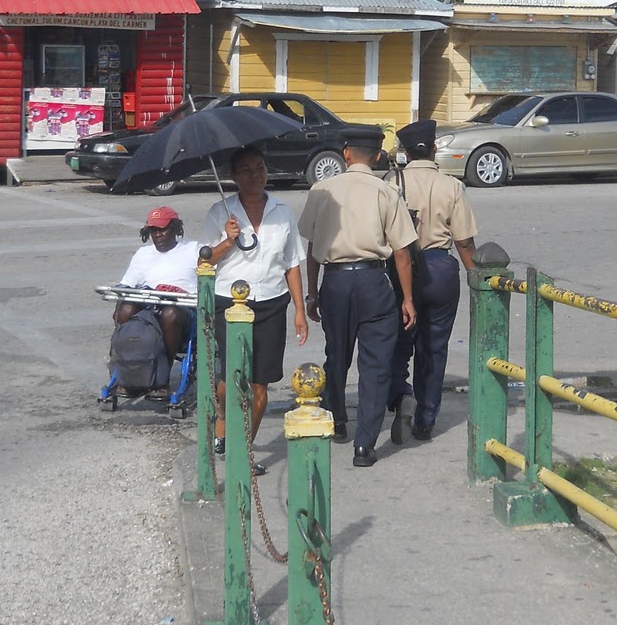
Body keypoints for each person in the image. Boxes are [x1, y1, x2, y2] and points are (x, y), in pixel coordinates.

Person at [299, 126, 416, 468]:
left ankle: (337, 420)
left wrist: (311, 292)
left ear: (346, 153)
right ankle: (364, 445)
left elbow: (311, 249)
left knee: (337, 354)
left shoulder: (322, 190)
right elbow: (402, 253)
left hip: (334, 281)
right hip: (373, 281)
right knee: (376, 365)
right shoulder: (386, 191)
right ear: (378, 156)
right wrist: (407, 298)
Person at [201, 146, 308, 470]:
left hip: (272, 304)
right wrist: (227, 241)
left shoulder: (282, 211)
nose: (254, 175)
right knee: (230, 379)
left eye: (260, 168)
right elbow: (204, 259)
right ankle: (223, 423)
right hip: (229, 305)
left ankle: (241, 451)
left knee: (260, 384)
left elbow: (291, 264)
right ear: (234, 176)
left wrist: (300, 311)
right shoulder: (221, 212)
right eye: (246, 170)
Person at [386, 119, 479, 443]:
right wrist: (475, 278)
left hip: (400, 269)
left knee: (397, 341)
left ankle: (400, 397)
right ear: (434, 149)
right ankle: (426, 419)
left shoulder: (391, 182)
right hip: (440, 267)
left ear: (405, 152)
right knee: (434, 347)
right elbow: (464, 241)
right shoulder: (451, 186)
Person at [115, 205, 199, 362]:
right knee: (126, 309)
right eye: (153, 230)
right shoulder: (143, 254)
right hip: (150, 307)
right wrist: (119, 308)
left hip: (184, 310)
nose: (158, 235)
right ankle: (125, 367)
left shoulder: (193, 249)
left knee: (170, 313)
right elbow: (127, 285)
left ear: (175, 229)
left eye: (163, 229)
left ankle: (162, 372)